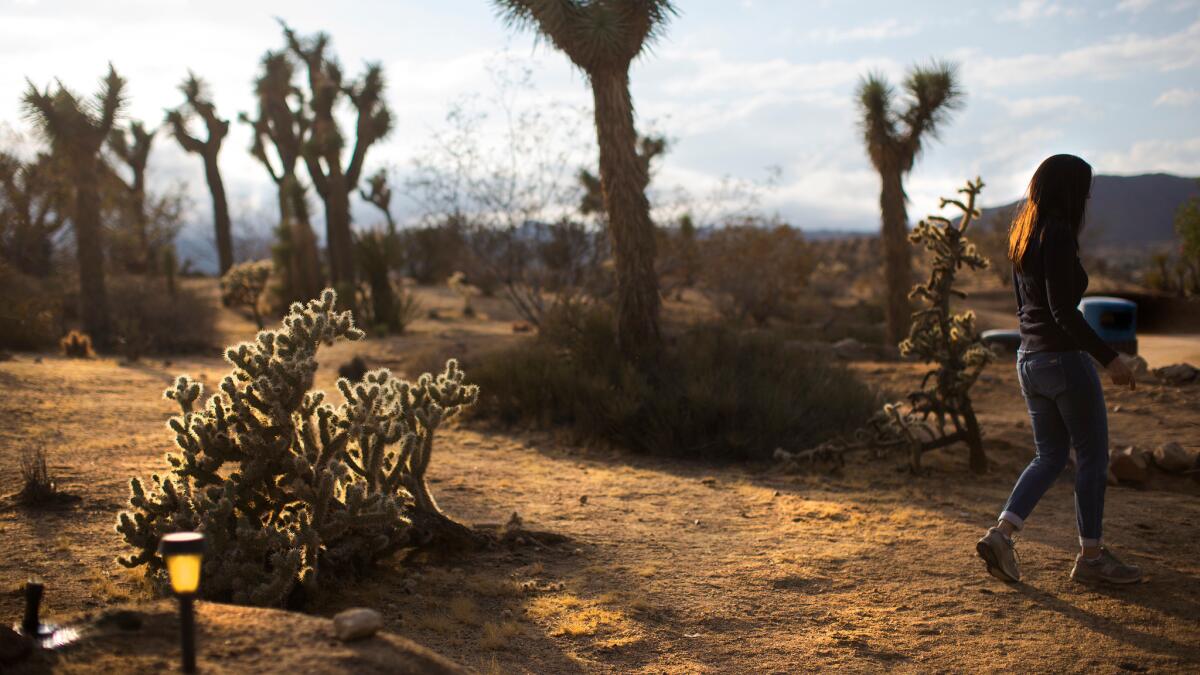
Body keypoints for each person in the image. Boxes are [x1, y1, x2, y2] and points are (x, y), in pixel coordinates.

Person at [976, 154, 1142, 585]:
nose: (1087, 196)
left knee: (1049, 455)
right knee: (1091, 456)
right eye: (1084, 188)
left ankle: (1002, 534)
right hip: (1063, 361)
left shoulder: (1024, 234)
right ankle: (1091, 558)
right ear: (1069, 190)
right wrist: (1110, 358)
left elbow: (1026, 308)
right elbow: (1062, 312)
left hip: (1028, 360)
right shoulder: (1059, 233)